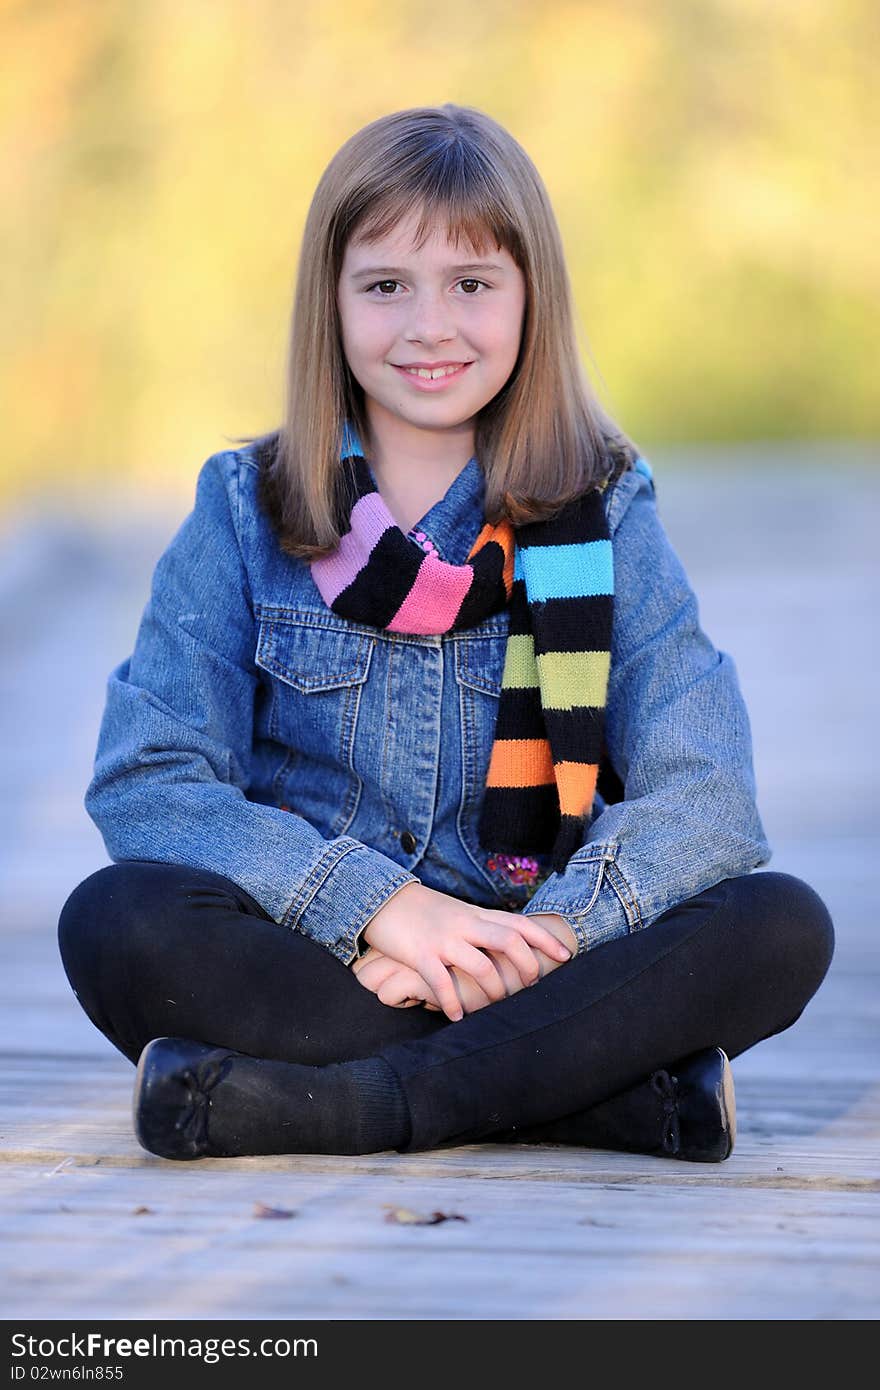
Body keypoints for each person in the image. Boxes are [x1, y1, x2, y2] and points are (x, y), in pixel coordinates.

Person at [57, 103, 834, 1164]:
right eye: (386, 286)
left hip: (544, 950)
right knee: (117, 920)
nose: (430, 327)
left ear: (529, 301)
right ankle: (586, 1097)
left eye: (471, 285)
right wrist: (384, 909)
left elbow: (708, 792)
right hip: (325, 954)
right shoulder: (246, 508)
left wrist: (549, 938)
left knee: (778, 926)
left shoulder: (601, 506)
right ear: (329, 305)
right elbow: (149, 778)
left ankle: (353, 1106)